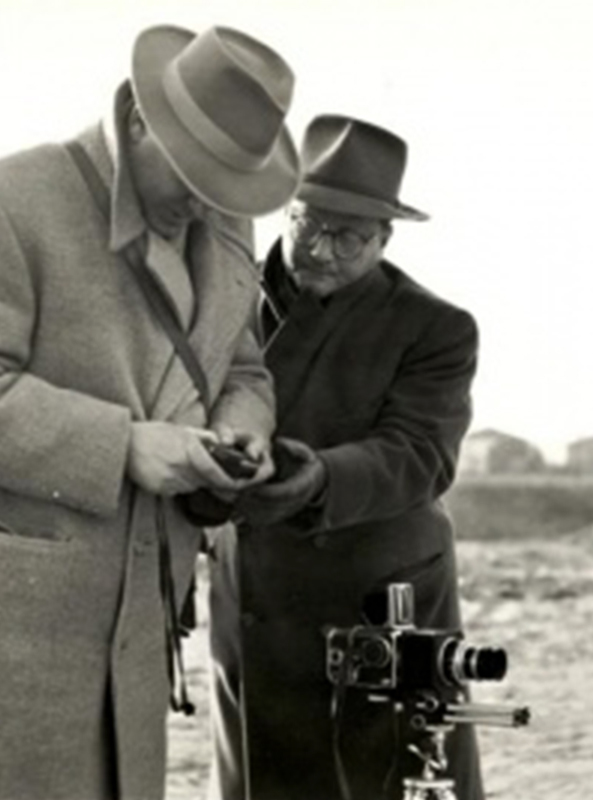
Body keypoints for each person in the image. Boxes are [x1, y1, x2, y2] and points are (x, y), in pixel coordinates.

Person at [0, 24, 299, 800]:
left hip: (140, 626)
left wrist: (247, 424)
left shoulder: (222, 223)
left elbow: (242, 363)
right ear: (140, 120)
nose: (210, 205)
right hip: (9, 648)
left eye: (229, 188)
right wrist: (123, 447)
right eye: (196, 176)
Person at [196, 115, 485, 800]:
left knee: (400, 778)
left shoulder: (436, 328)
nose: (321, 250)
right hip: (255, 593)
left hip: (381, 587)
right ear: (287, 213)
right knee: (262, 777)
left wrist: (320, 475)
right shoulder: (218, 301)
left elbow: (420, 454)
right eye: (307, 225)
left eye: (349, 237)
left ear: (385, 240)